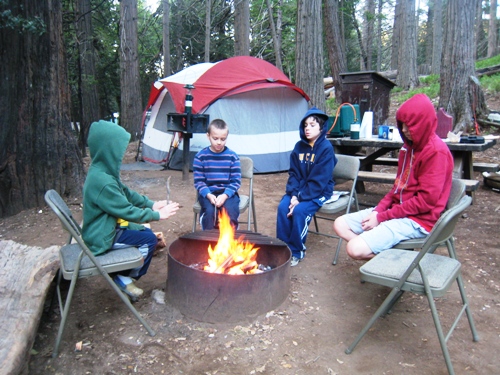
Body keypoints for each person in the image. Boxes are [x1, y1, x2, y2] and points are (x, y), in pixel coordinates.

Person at [333, 93, 454, 260]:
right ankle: (388, 257)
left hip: (418, 220)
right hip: (396, 212)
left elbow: (426, 202)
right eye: (402, 125)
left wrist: (382, 218)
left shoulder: (436, 152)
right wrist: (378, 211)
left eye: (409, 126)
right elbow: (397, 189)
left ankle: (394, 261)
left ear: (422, 124)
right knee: (340, 224)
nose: (403, 130)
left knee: (354, 249)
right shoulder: (408, 148)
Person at [82, 120, 179, 299]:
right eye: (119, 150)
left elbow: (126, 193)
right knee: (149, 240)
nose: (122, 155)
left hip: (108, 227)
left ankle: (121, 273)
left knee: (142, 231)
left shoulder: (103, 172)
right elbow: (126, 210)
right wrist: (157, 215)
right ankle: (124, 277)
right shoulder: (101, 182)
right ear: (107, 150)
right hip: (102, 237)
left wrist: (151, 204)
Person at [276, 107, 337, 266]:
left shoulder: (326, 149)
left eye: (312, 125)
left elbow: (319, 181)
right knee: (283, 207)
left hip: (319, 191)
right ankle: (283, 249)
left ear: (321, 128)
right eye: (305, 125)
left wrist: (300, 198)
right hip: (300, 190)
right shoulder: (298, 147)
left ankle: (296, 251)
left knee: (300, 211)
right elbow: (294, 174)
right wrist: (294, 195)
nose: (307, 128)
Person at [193, 119, 241, 230]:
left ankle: (230, 241)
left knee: (230, 212)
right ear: (208, 136)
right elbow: (199, 182)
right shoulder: (200, 157)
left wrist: (225, 195)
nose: (219, 142)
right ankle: (209, 241)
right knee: (210, 213)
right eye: (215, 138)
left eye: (223, 139)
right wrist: (208, 195)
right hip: (208, 193)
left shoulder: (232, 156)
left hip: (228, 193)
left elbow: (236, 181)